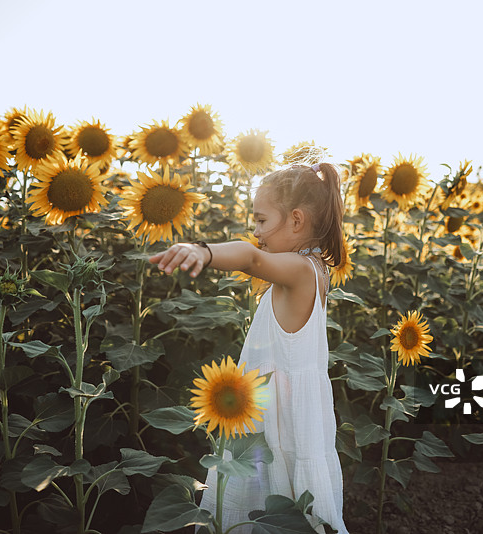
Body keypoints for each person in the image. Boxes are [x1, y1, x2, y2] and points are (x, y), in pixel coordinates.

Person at [149, 162, 350, 534]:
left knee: (265, 505)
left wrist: (203, 251)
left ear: (295, 220)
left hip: (278, 417)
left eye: (260, 221)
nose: (256, 233)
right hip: (292, 410)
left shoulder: (301, 270)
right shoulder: (315, 267)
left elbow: (252, 258)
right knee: (286, 508)